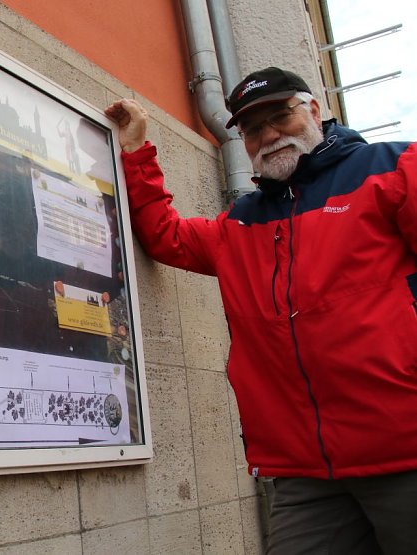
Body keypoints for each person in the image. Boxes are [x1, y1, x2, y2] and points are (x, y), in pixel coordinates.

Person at [105, 67, 417, 554]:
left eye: (281, 116)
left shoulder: (393, 169)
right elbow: (166, 236)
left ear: (314, 111)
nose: (269, 135)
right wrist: (136, 151)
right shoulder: (241, 223)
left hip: (407, 452)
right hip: (305, 474)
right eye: (253, 129)